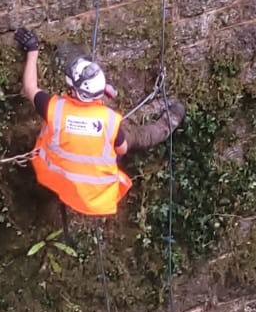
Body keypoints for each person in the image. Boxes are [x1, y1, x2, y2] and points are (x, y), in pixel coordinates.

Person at [16, 27, 184, 219]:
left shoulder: (53, 109)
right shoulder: (109, 120)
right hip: (97, 198)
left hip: (59, 181)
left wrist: (32, 50)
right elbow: (121, 150)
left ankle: (165, 116)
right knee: (134, 136)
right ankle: (168, 122)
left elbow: (30, 86)